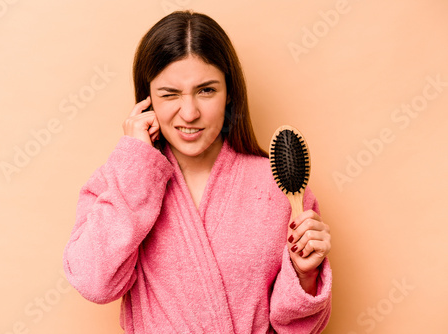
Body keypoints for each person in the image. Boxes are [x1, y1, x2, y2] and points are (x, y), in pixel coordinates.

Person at [63, 10, 332, 334]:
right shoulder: (120, 182)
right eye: (169, 94)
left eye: (206, 90)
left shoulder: (278, 186)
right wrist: (135, 162)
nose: (189, 113)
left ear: (229, 93)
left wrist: (306, 275)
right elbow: (95, 282)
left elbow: (298, 329)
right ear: (146, 100)